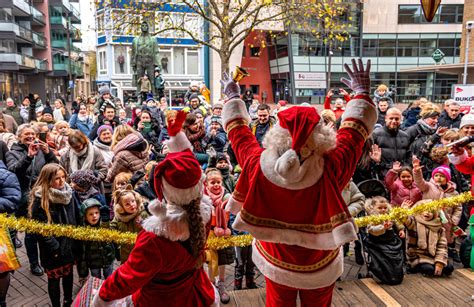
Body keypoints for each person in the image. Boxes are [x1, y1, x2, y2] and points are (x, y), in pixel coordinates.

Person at [221, 59, 377, 306]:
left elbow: (239, 134)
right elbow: (354, 132)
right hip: (320, 262)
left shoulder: (257, 164)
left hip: (276, 260)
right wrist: (362, 94)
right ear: (319, 134)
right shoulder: (331, 168)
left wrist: (232, 97)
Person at [92, 111, 215, 306]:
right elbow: (185, 167)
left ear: (165, 190)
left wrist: (102, 297)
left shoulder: (155, 238)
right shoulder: (206, 215)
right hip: (193, 293)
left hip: (159, 300)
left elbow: (127, 278)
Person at [6, 123, 59, 276]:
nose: (30, 137)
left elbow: (56, 166)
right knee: (30, 233)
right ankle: (34, 263)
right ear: (19, 137)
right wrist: (28, 156)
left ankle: (47, 258)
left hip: (43, 197)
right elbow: (14, 171)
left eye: (32, 134)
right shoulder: (12, 153)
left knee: (45, 230)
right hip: (25, 199)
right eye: (26, 134)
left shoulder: (42, 151)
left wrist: (49, 153)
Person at [28, 163, 79, 307]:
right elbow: (40, 230)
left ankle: (67, 301)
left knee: (68, 276)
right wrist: (55, 248)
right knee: (54, 280)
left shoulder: (69, 193)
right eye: (57, 178)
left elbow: (76, 215)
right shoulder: (41, 199)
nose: (62, 181)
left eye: (63, 177)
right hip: (52, 251)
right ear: (47, 179)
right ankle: (55, 304)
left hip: (69, 245)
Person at [204, 168, 233, 303]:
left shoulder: (226, 196)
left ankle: (221, 283)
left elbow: (232, 211)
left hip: (223, 230)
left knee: (223, 258)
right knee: (211, 259)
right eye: (212, 182)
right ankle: (211, 283)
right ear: (206, 184)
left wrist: (228, 228)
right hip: (209, 232)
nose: (216, 185)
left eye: (218, 182)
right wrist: (211, 227)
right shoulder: (204, 198)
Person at [403, 200, 454, 277]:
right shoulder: (414, 222)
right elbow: (405, 220)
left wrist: (439, 262)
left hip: (433, 255)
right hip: (418, 256)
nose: (427, 213)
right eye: (424, 210)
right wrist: (404, 211)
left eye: (430, 211)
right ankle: (417, 267)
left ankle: (436, 266)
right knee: (428, 269)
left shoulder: (439, 227)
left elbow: (442, 246)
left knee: (449, 268)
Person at [363, 196, 405, 285]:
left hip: (391, 241)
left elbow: (397, 221)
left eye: (385, 208)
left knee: (396, 257)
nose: (383, 210)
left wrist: (401, 229)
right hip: (377, 242)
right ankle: (385, 274)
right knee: (383, 261)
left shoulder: (389, 214)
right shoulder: (371, 217)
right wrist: (383, 227)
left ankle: (396, 273)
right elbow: (372, 230)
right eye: (380, 208)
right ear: (373, 208)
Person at [77, 198, 115, 280]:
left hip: (107, 259)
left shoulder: (105, 224)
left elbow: (111, 235)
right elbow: (82, 251)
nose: (94, 216)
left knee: (109, 279)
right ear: (85, 217)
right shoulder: (83, 230)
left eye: (97, 213)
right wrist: (83, 268)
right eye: (90, 214)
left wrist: (106, 222)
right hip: (93, 262)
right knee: (96, 279)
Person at [0, 159, 21, 307]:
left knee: (2, 270)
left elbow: (12, 199)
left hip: (2, 233)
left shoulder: (6, 175)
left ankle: (1, 300)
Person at [372, 108, 411, 176]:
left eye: (396, 119)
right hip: (382, 176)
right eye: (391, 118)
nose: (394, 121)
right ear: (386, 118)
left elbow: (409, 156)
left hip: (401, 177)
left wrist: (403, 168)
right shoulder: (375, 135)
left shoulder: (405, 136)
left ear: (401, 120)